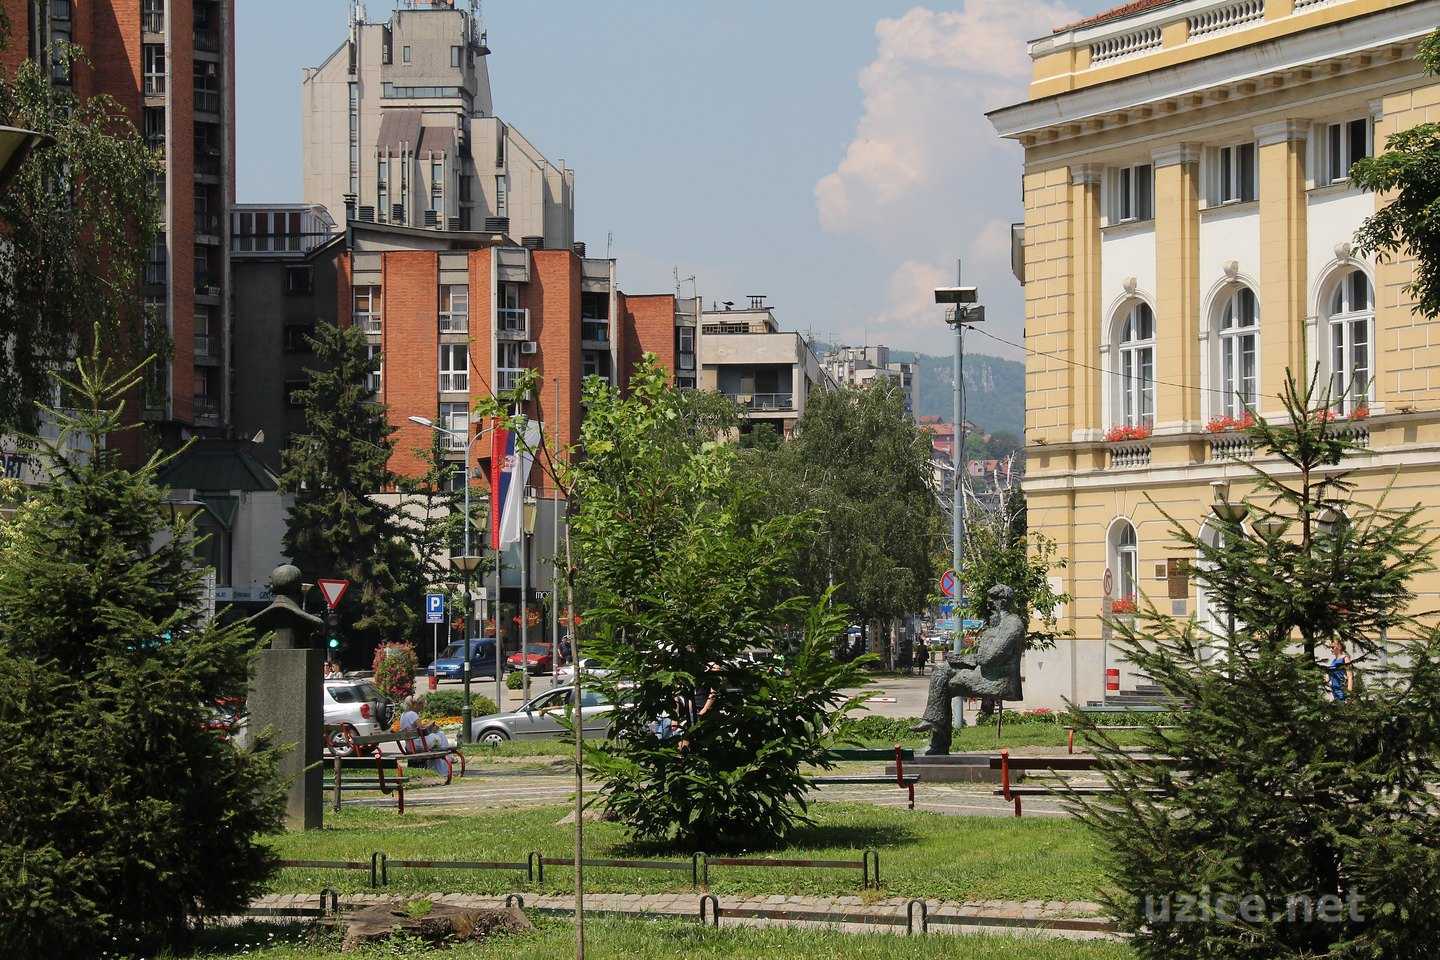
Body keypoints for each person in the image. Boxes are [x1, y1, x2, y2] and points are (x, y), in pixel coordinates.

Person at [398, 696, 453, 776]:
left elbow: (417, 729)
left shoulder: (403, 715)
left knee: (439, 738)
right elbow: (422, 730)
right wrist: (431, 728)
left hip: (410, 745)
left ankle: (443, 765)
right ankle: (448, 759)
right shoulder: (413, 714)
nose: (422, 708)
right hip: (418, 744)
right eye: (422, 706)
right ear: (416, 705)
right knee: (440, 734)